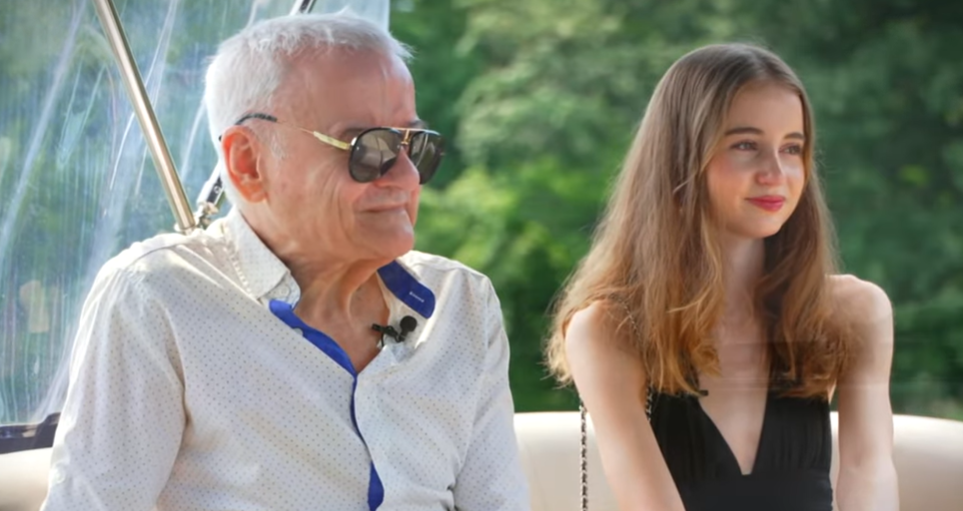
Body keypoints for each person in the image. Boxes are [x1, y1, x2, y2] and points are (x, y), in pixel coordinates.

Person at [41, 13, 529, 511]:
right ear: (248, 162)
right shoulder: (158, 296)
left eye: (416, 146)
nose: (406, 177)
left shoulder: (463, 302)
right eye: (369, 148)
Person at [546, 43, 898, 511]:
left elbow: (869, 472)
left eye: (792, 148)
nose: (776, 172)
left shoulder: (851, 312)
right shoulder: (611, 329)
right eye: (746, 145)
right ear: (680, 157)